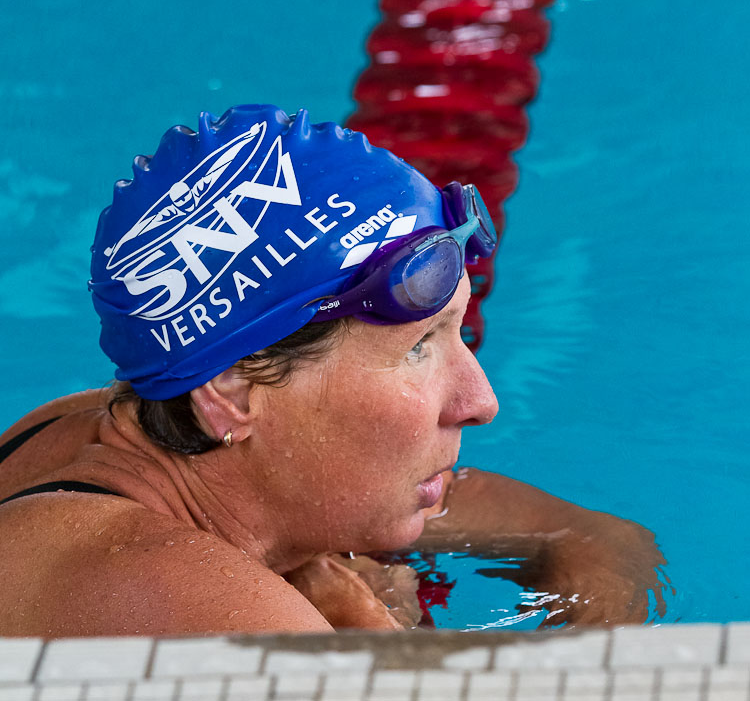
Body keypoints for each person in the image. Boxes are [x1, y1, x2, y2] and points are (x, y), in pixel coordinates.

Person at [0, 105, 666, 636]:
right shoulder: (194, 605)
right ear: (232, 390)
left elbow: (605, 541)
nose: (481, 401)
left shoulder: (105, 435)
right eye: (418, 347)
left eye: (457, 331)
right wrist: (383, 650)